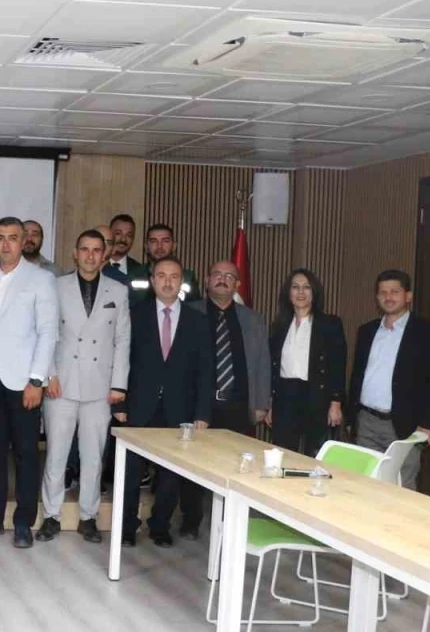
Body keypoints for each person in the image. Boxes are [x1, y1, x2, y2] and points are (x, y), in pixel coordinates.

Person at [38, 229, 129, 545]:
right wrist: (48, 375)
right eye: (85, 249)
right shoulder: (56, 286)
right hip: (60, 384)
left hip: (100, 387)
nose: (90, 255)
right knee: (56, 454)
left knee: (93, 456)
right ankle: (51, 515)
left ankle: (88, 517)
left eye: (96, 250)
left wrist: (119, 385)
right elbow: (45, 333)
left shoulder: (119, 291)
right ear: (75, 253)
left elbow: (123, 340)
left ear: (104, 255)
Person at [0, 216, 59, 547]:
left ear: (23, 242)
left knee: (25, 452)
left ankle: (24, 522)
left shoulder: (40, 279)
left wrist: (38, 379)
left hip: (24, 381)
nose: (5, 244)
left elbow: (48, 331)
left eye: (12, 237)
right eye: (0, 237)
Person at [117, 258, 213, 547]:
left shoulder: (198, 321)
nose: (168, 282)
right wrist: (118, 403)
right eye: (161, 276)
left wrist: (202, 413)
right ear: (152, 280)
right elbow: (121, 361)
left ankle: (160, 525)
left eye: (174, 276)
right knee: (131, 470)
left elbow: (206, 371)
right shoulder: (135, 315)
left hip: (180, 409)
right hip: (138, 406)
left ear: (181, 281)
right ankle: (127, 526)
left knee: (171, 473)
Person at [349, 269, 430, 489]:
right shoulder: (367, 331)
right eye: (383, 292)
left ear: (408, 296)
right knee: (366, 483)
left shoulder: (425, 333)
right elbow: (357, 376)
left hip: (405, 425)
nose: (388, 297)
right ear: (377, 297)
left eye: (395, 291)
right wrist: (351, 417)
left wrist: (427, 424)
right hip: (366, 422)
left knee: (401, 486)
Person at [267, 269, 346, 459]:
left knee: (315, 457)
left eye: (306, 287)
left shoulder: (330, 324)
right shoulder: (279, 326)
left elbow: (338, 366)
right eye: (295, 287)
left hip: (316, 395)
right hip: (284, 397)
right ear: (288, 293)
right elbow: (272, 368)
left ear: (314, 292)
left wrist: (335, 403)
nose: (300, 292)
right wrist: (270, 404)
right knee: (283, 454)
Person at [190, 261, 271, 436]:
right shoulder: (189, 313)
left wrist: (262, 403)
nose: (222, 279)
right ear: (207, 280)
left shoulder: (253, 319)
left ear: (237, 285)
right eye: (217, 274)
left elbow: (263, 363)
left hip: (239, 407)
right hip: (197, 406)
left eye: (229, 276)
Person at [131, 224, 200, 304]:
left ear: (174, 246)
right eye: (154, 241)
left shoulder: (188, 277)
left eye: (165, 241)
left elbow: (196, 307)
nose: (159, 246)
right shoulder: (133, 275)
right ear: (146, 247)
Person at [104, 213, 142, 287]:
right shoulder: (97, 265)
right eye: (118, 233)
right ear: (109, 235)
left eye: (129, 235)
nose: (123, 239)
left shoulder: (140, 271)